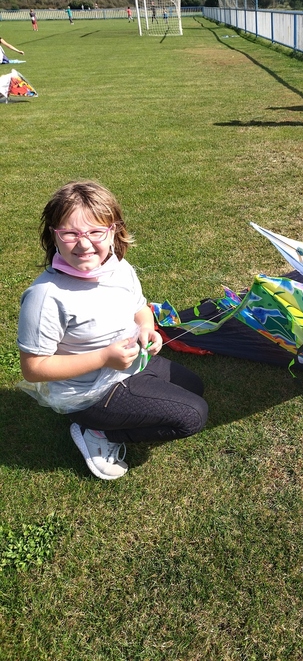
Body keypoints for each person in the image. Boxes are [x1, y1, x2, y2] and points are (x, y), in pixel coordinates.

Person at [17, 181, 208, 480]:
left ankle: (117, 415)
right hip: (90, 392)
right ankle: (97, 432)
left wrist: (147, 329)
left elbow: (140, 309)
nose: (84, 244)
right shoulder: (46, 296)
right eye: (70, 233)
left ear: (113, 231)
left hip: (130, 364)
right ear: (53, 235)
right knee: (193, 416)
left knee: (194, 387)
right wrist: (104, 358)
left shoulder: (118, 268)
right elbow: (33, 369)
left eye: (95, 232)